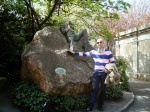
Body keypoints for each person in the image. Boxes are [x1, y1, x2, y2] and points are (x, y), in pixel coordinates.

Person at [68, 38, 116, 112]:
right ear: (96, 44)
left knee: (103, 90)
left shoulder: (108, 52)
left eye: (101, 42)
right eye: (98, 43)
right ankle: (90, 107)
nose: (99, 44)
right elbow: (84, 54)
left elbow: (113, 62)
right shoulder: (94, 52)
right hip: (96, 73)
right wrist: (74, 53)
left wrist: (109, 70)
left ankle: (100, 106)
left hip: (105, 74)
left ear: (103, 43)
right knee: (94, 90)